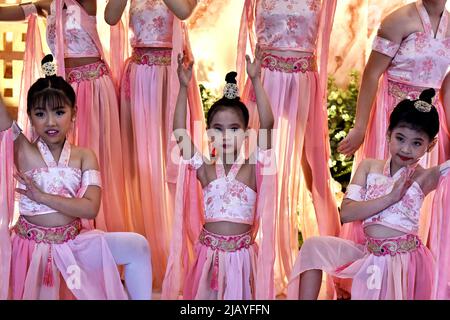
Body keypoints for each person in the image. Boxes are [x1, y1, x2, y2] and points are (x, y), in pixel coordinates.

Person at [0, 58, 152, 299]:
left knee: (137, 246)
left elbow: (90, 208)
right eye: (40, 114)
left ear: (73, 114)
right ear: (29, 117)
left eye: (59, 112)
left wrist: (42, 197)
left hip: (74, 245)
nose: (50, 122)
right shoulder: (23, 150)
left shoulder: (84, 156)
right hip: (32, 249)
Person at [288, 88, 448, 300]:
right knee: (313, 246)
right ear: (388, 134)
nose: (406, 149)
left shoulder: (424, 177)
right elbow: (346, 213)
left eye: (417, 143)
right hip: (369, 253)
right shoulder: (369, 167)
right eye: (400, 138)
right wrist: (391, 197)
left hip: (401, 261)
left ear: (431, 145)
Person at [236, 0, 340, 294]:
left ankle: (331, 258)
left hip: (303, 83)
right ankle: (251, 261)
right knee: (258, 168)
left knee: (313, 172)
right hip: (265, 82)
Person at [0, 0, 130, 232]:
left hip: (93, 87)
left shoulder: (85, 2)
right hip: (63, 91)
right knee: (57, 157)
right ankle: (54, 221)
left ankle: (97, 225)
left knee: (93, 155)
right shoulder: (47, 5)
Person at [104, 0, 204, 289]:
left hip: (171, 77)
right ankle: (144, 252)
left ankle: (177, 254)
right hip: (140, 75)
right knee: (141, 167)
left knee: (175, 162)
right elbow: (111, 18)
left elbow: (184, 11)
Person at [162, 48, 277, 299]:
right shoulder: (205, 168)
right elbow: (179, 130)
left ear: (247, 134)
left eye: (234, 128)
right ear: (209, 134)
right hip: (209, 255)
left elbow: (267, 123)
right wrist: (183, 87)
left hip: (242, 258)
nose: (226, 135)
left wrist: (256, 80)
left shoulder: (251, 167)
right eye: (218, 128)